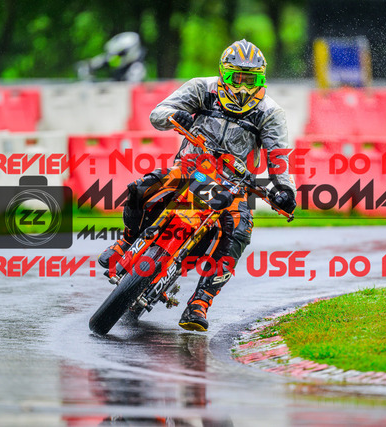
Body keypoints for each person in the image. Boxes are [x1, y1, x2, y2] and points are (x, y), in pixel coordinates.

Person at [98, 39, 297, 331]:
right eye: (236, 78)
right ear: (224, 74)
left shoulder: (271, 113)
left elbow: (278, 157)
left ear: (261, 80)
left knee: (239, 232)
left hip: (233, 187)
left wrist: (285, 190)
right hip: (190, 169)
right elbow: (158, 113)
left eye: (250, 80)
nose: (242, 88)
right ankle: (125, 241)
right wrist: (173, 116)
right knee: (141, 188)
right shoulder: (202, 88)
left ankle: (200, 302)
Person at [76, 32, 146, 82]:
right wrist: (89, 66)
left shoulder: (136, 69)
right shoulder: (113, 60)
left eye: (120, 53)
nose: (116, 56)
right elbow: (100, 61)